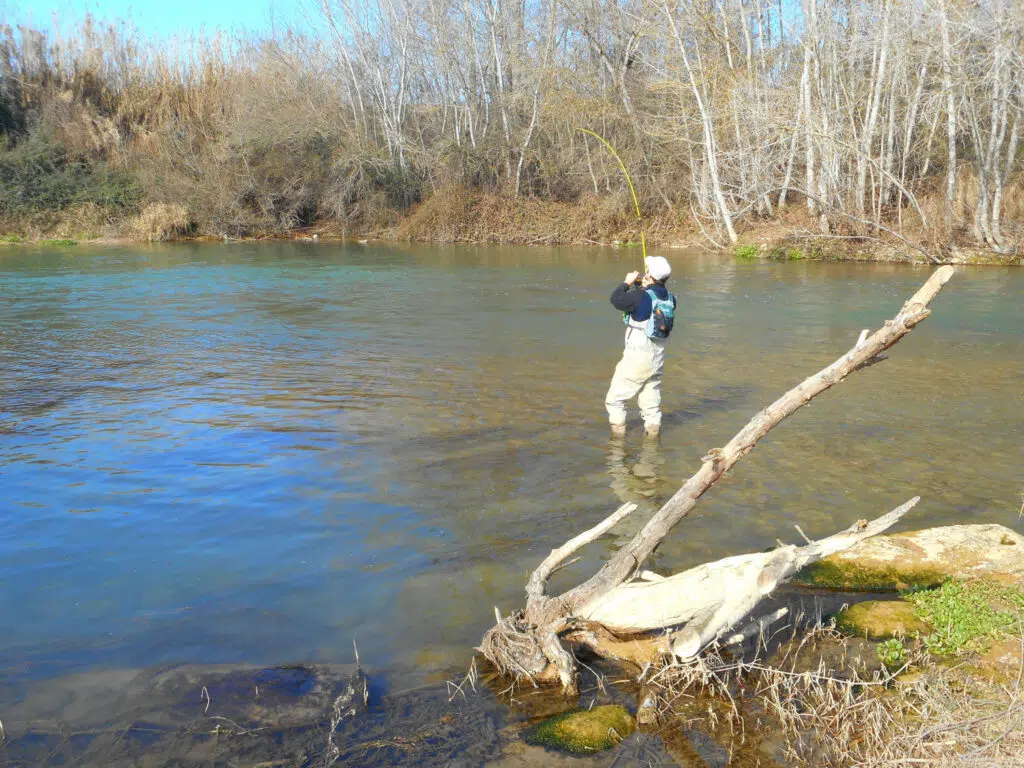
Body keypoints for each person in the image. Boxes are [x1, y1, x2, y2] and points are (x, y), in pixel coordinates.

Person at [605, 255, 676, 436]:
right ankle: (651, 450)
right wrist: (642, 287)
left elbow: (616, 299)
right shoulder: (671, 298)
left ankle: (617, 446)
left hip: (637, 358)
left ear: (649, 275)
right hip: (657, 359)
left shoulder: (639, 296)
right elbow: (647, 302)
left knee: (615, 401)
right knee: (651, 406)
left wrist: (627, 283)